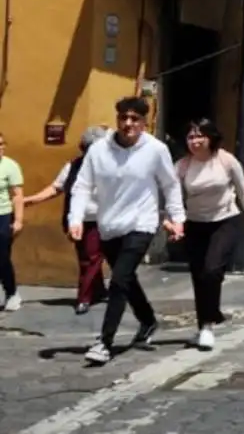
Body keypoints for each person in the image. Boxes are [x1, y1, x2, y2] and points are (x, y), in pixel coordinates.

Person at [70, 97, 185, 366]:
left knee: (119, 279)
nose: (128, 123)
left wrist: (177, 217)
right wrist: (76, 217)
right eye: (123, 118)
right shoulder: (99, 150)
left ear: (144, 123)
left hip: (142, 223)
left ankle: (104, 342)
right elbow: (82, 186)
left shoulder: (156, 150)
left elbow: (170, 185)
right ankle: (147, 321)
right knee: (127, 278)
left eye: (134, 119)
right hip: (109, 225)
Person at [176, 118, 244, 350]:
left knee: (212, 270)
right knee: (199, 275)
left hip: (225, 220)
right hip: (195, 224)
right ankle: (206, 322)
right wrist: (174, 222)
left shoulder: (226, 160)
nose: (194, 141)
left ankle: (208, 323)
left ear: (210, 137)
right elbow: (172, 198)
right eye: (190, 137)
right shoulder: (183, 166)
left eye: (199, 136)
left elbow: (243, 192)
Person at [24, 126, 110, 314]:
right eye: (88, 148)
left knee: (92, 258)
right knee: (87, 257)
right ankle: (100, 291)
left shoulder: (111, 167)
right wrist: (31, 200)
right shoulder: (73, 166)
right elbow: (56, 187)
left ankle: (84, 297)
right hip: (78, 220)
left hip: (102, 219)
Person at [0, 132, 24, 312]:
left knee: (2, 257)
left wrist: (18, 220)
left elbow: (17, 195)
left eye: (2, 144)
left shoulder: (10, 166)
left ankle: (12, 292)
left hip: (3, 215)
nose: (1, 148)